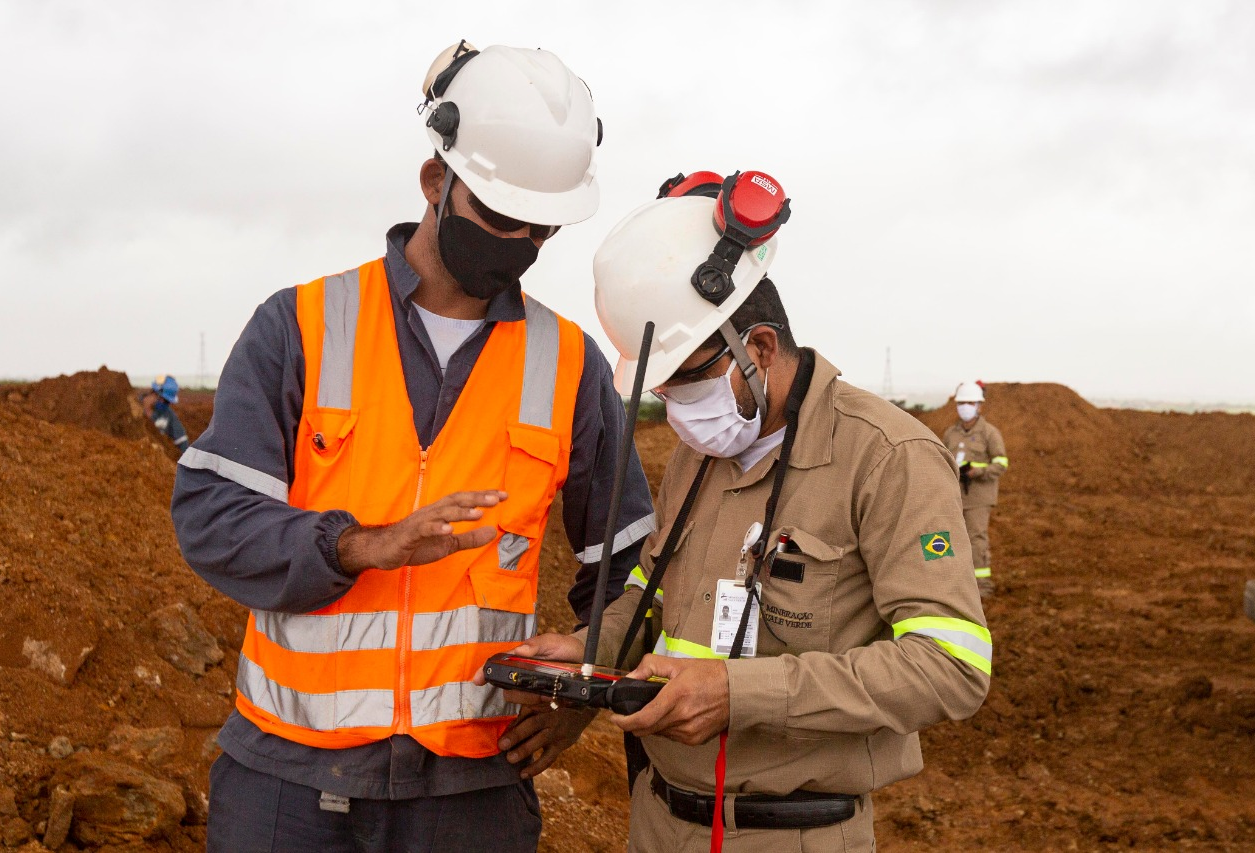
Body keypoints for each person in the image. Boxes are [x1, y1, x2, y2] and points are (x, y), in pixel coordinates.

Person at [170, 41, 654, 853]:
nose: (521, 242)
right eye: (500, 217)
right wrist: (359, 544)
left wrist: (584, 688)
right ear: (437, 184)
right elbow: (212, 516)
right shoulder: (301, 327)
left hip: (471, 794)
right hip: (289, 784)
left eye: (541, 228)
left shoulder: (569, 365)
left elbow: (635, 567)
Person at [500, 175, 991, 851]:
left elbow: (950, 666)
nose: (675, 410)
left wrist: (741, 692)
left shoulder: (886, 456)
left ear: (757, 349)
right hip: (658, 821)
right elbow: (652, 590)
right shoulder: (697, 454)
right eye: (661, 388)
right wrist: (591, 651)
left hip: (794, 833)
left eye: (686, 381)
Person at [942, 381, 1008, 598]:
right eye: (961, 403)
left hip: (978, 497)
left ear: (979, 405)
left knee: (976, 538)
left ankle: (982, 586)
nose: (965, 407)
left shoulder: (990, 433)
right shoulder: (951, 433)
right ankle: (950, 583)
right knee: (948, 537)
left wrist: (978, 472)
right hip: (954, 496)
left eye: (970, 402)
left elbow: (1001, 464)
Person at [140, 374, 189, 451]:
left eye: (167, 401)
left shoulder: (168, 414)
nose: (164, 403)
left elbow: (182, 440)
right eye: (163, 399)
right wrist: (146, 408)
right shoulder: (134, 406)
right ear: (154, 393)